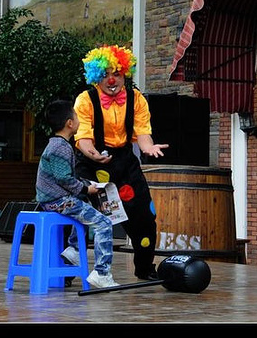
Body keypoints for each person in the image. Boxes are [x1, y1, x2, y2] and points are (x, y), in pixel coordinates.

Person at [74, 45, 169, 281]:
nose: (112, 79)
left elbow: (143, 132)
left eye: (116, 73)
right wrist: (94, 154)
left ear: (125, 73)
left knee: (144, 216)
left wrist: (148, 147)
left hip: (125, 162)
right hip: (92, 163)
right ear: (97, 77)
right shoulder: (86, 100)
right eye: (105, 74)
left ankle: (145, 268)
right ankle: (66, 272)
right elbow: (83, 137)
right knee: (80, 217)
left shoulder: (136, 99)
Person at [36, 99, 119, 289]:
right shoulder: (60, 147)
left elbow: (66, 177)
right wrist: (85, 188)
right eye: (75, 115)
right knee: (104, 223)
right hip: (57, 201)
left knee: (86, 206)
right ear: (69, 123)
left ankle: (73, 249)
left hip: (57, 199)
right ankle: (102, 272)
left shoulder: (58, 145)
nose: (78, 118)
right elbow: (64, 179)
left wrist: (87, 185)